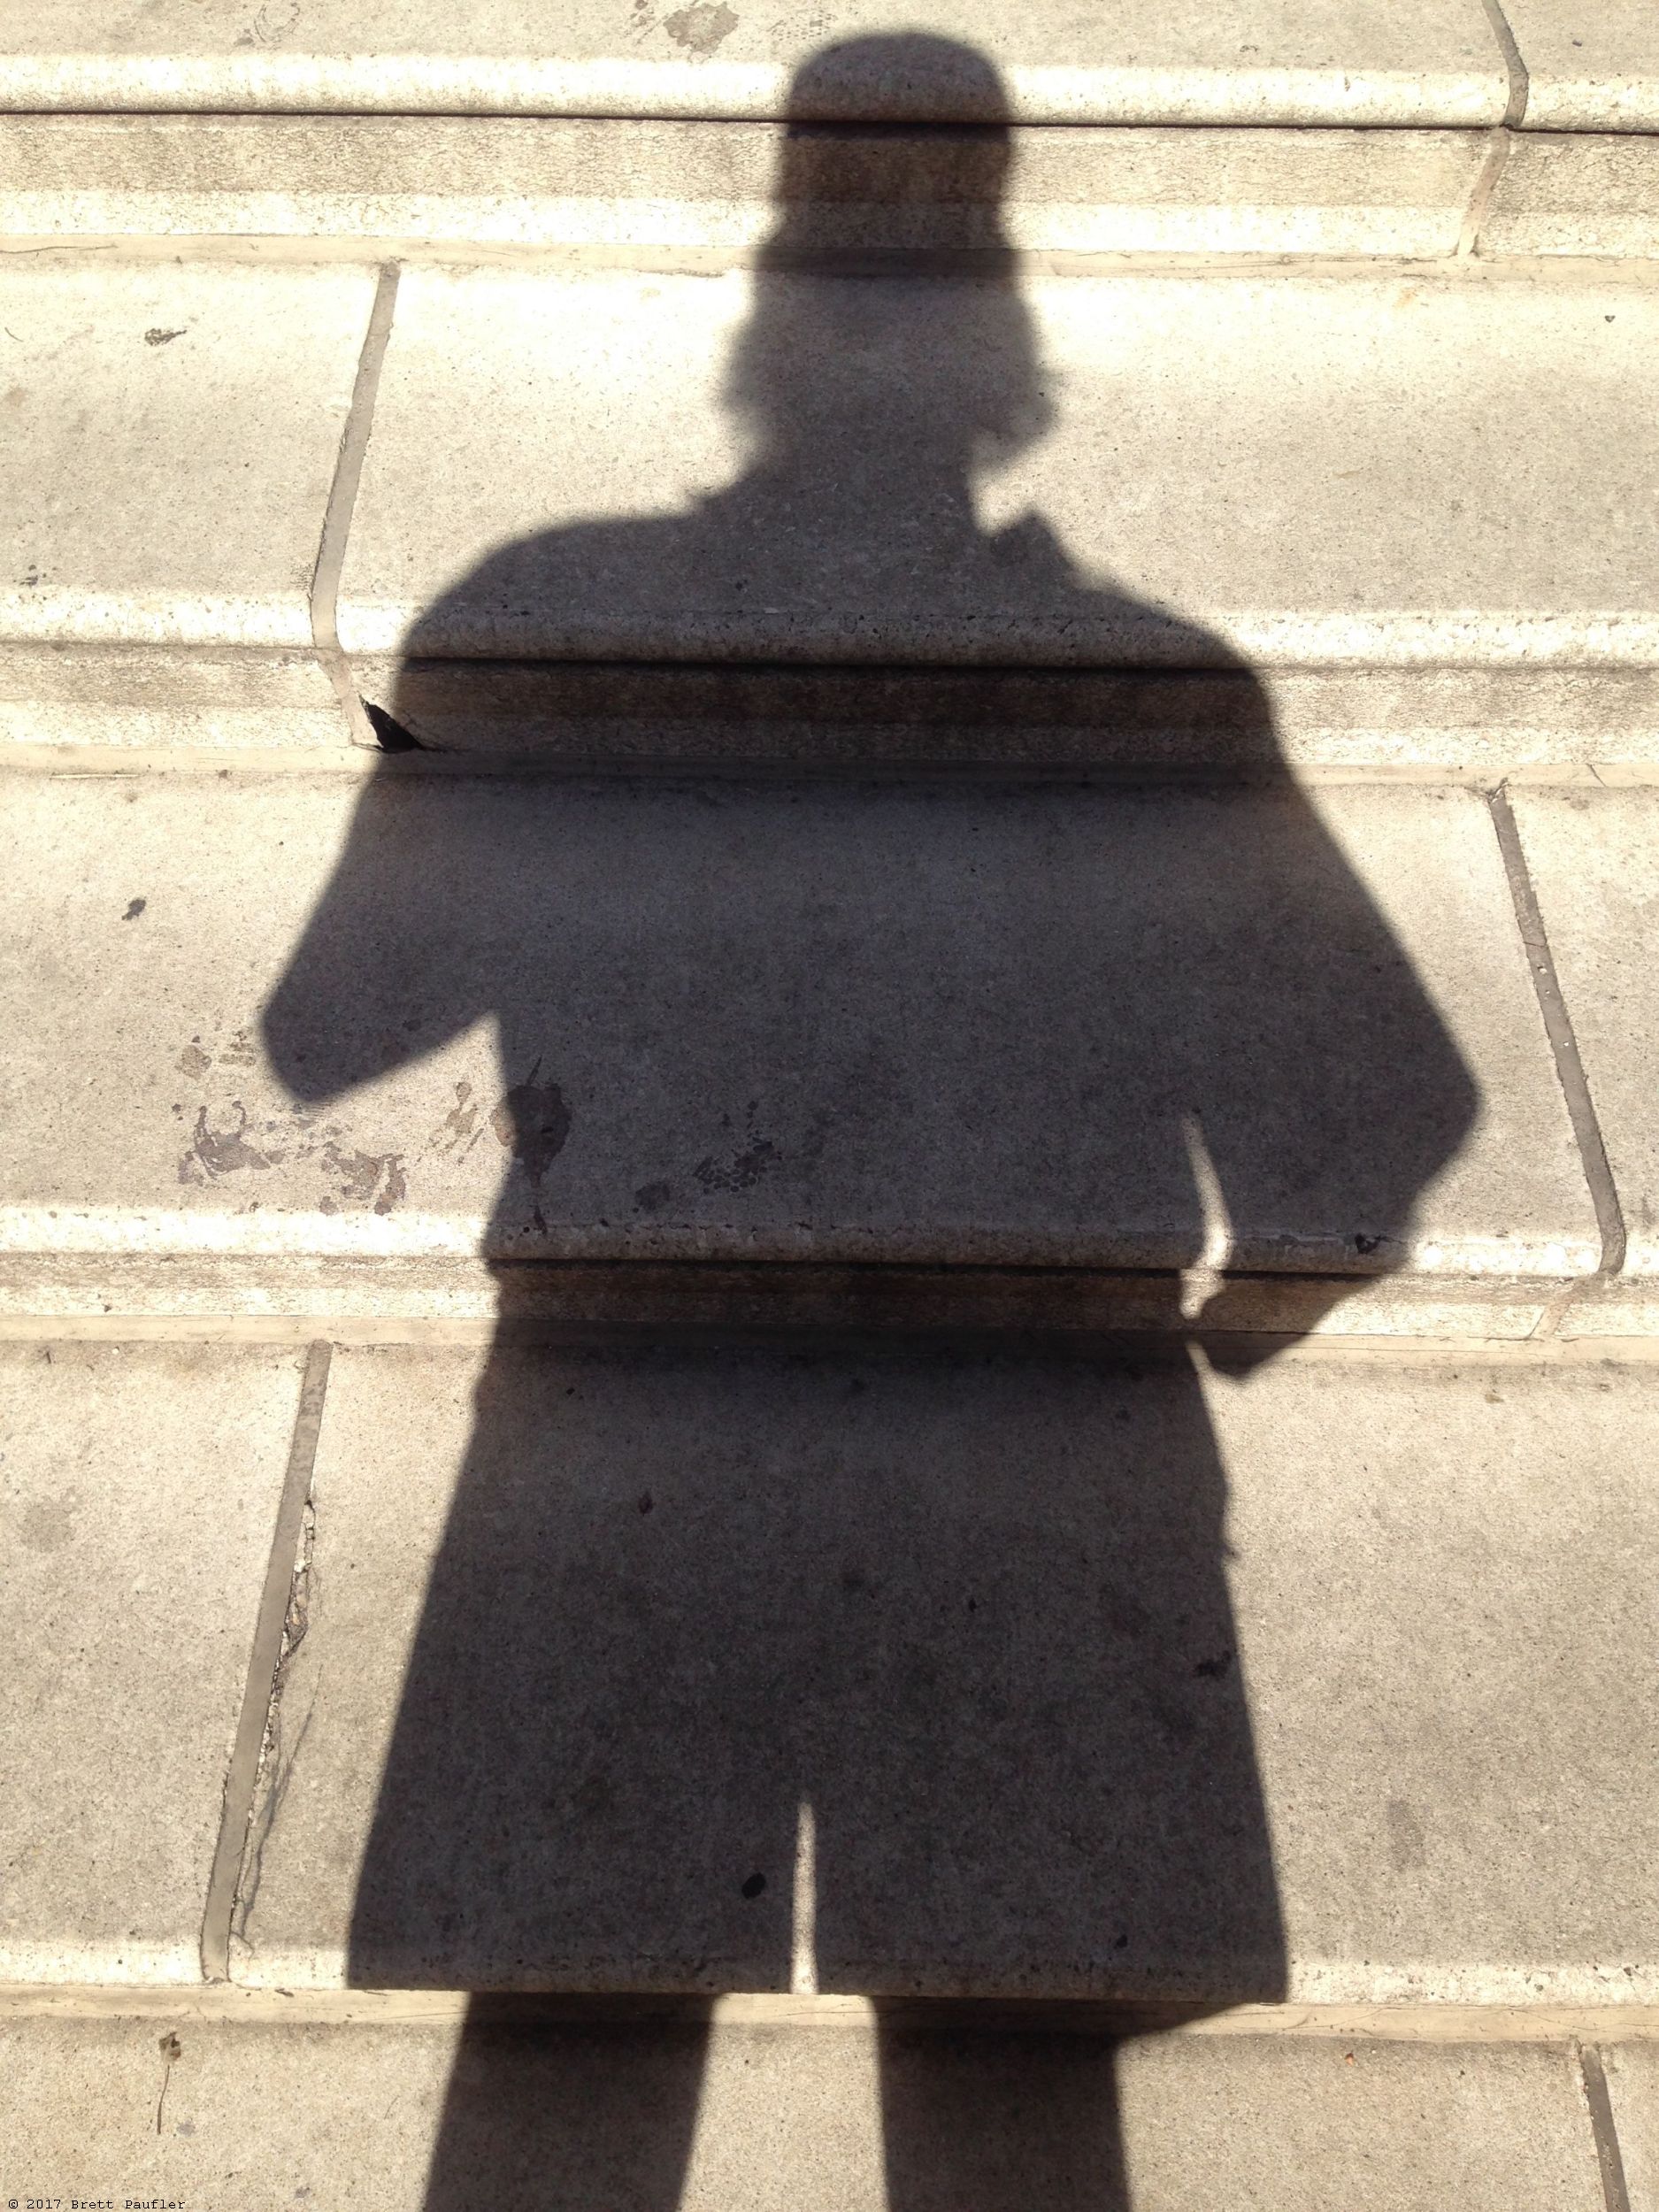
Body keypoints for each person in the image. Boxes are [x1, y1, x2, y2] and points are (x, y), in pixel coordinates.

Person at [263, 36, 1475, 2208]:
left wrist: (489, 797)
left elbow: (315, 1045)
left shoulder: (533, 587)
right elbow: (1383, 1125)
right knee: (1016, 2075)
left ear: (740, 344)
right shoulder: (1166, 666)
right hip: (1093, 1437)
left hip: (569, 1418)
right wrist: (1197, 1341)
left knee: (556, 2040)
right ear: (1020, 373)